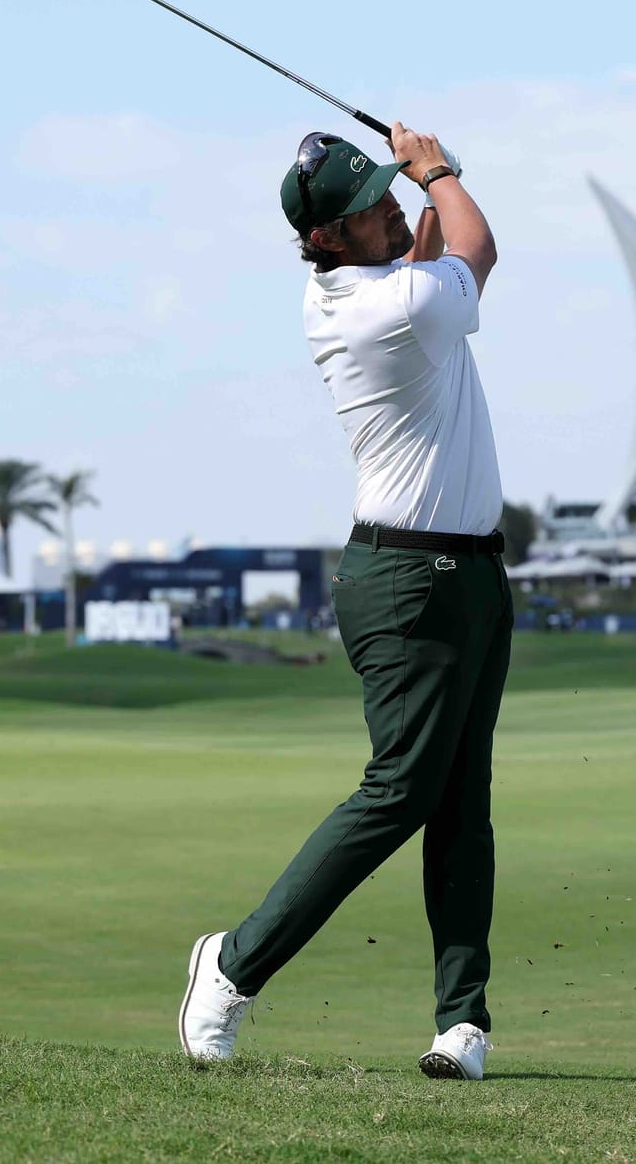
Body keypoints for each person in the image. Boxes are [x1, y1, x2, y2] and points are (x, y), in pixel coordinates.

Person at [178, 122, 508, 1082]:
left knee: (461, 802)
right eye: (369, 205)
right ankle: (231, 966)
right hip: (408, 582)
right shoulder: (391, 310)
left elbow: (424, 257)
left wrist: (419, 189)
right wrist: (438, 168)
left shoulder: (375, 290)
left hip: (471, 577)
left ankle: (461, 1022)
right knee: (402, 789)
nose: (390, 205)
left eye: (388, 188)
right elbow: (476, 247)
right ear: (326, 237)